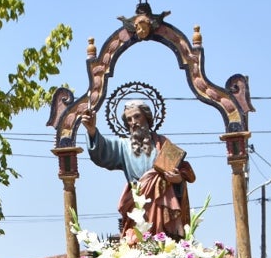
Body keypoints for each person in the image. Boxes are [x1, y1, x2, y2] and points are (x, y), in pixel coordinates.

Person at [83, 100, 196, 237]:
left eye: (137, 116)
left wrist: (178, 180)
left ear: (147, 117)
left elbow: (182, 171)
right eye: (129, 119)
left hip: (161, 203)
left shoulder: (163, 143)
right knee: (137, 244)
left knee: (162, 243)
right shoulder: (123, 146)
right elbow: (103, 152)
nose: (133, 122)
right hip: (136, 204)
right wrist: (92, 130)